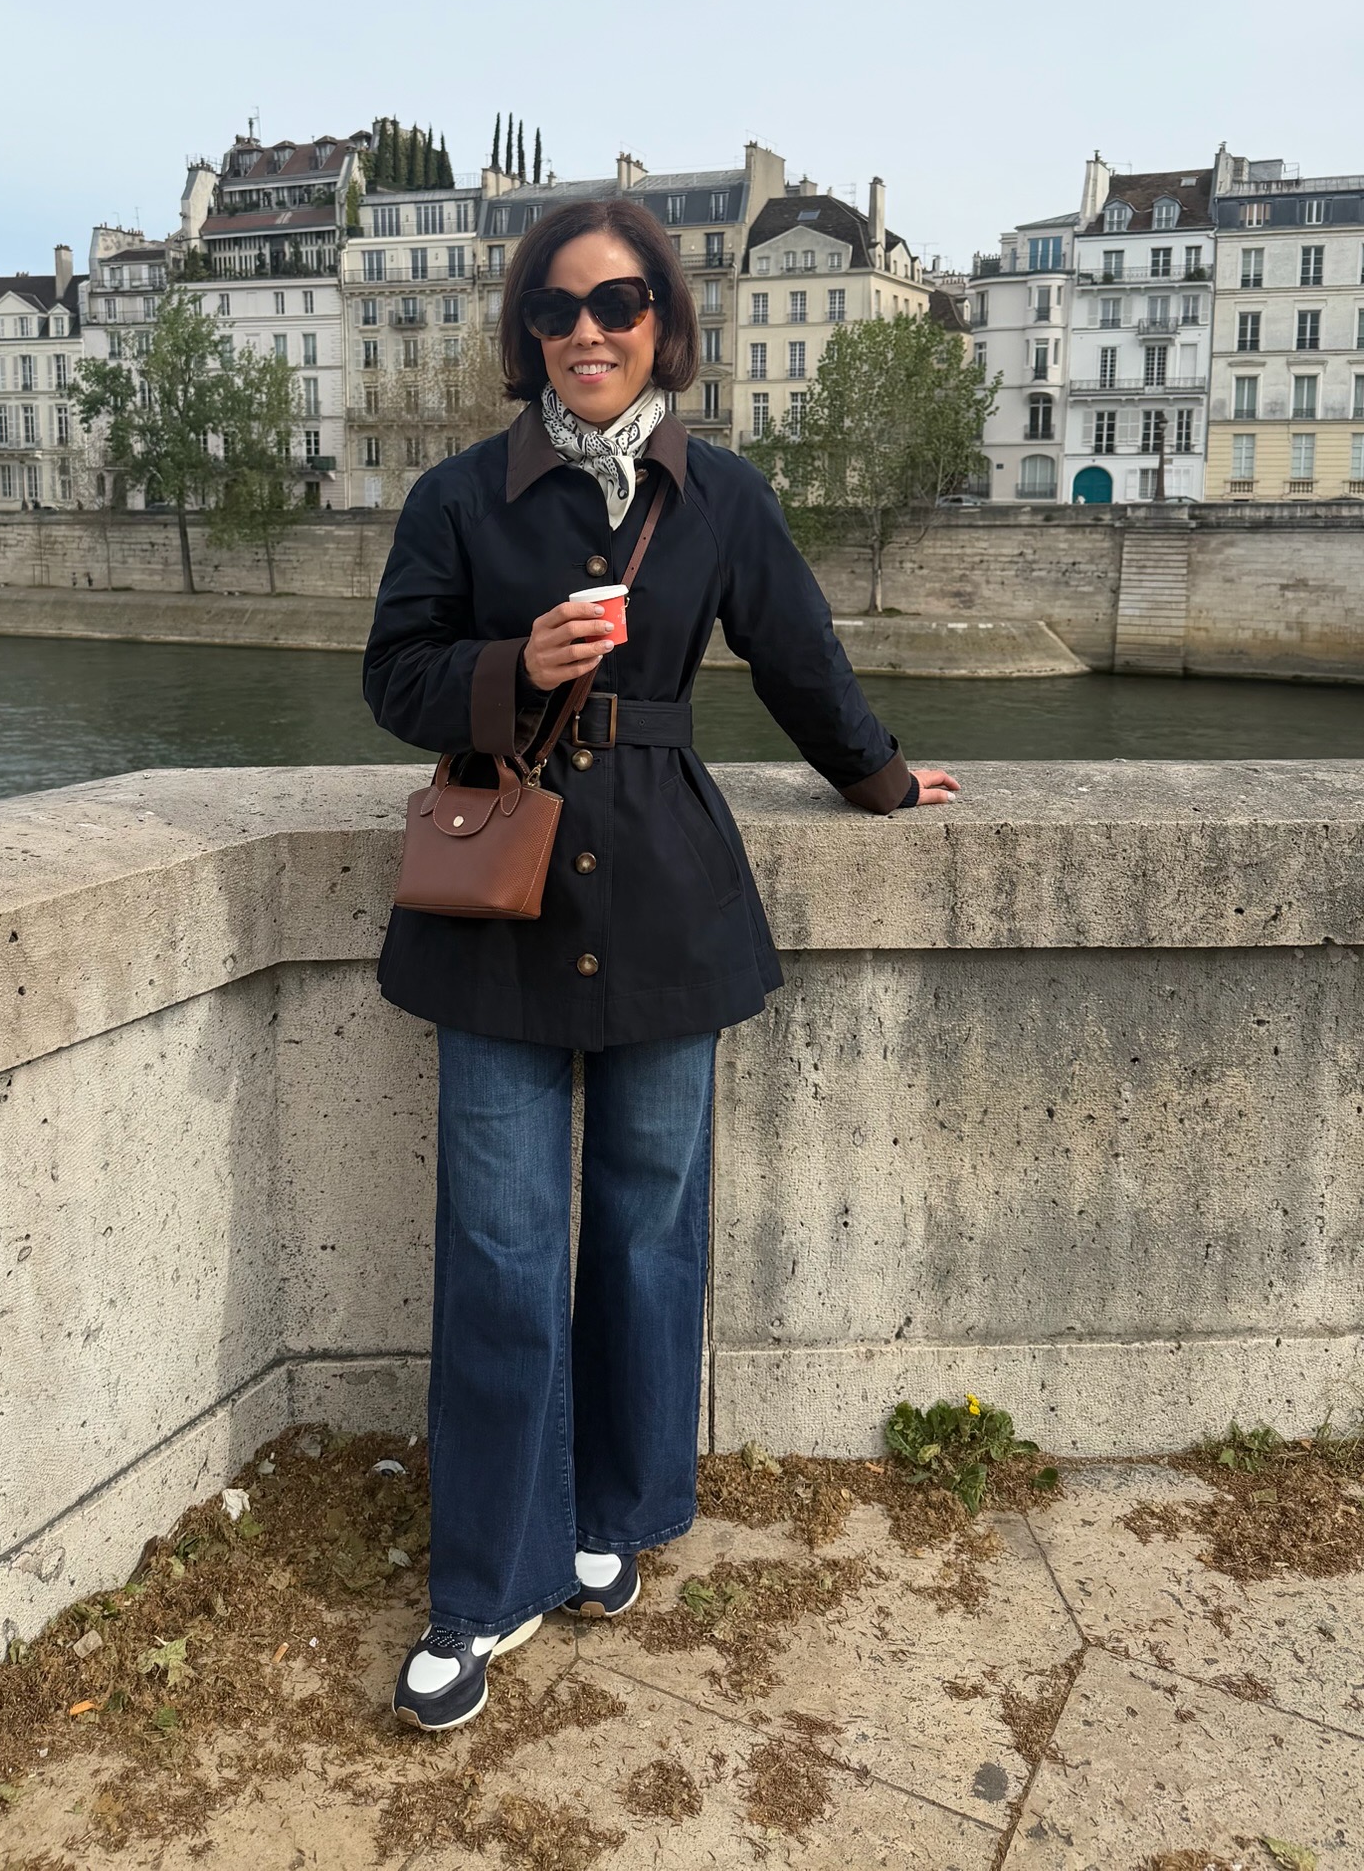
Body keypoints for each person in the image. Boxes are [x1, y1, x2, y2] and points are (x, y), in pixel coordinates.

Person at [362, 199, 959, 1732]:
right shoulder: (456, 497)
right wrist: (512, 672)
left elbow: (803, 658)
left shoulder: (724, 500)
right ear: (528, 334)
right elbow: (395, 675)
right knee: (500, 1251)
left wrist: (883, 778)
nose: (588, 332)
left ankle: (613, 1516)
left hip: (670, 897)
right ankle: (481, 1586)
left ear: (662, 322)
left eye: (618, 303)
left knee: (644, 1230)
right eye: (558, 310)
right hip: (500, 906)